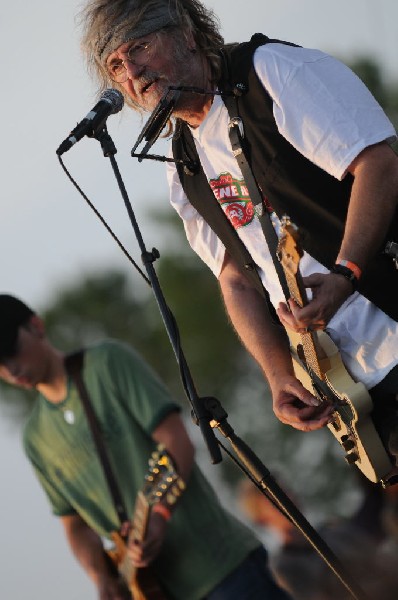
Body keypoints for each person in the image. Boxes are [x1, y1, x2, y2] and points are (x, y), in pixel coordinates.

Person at [79, 1, 398, 464]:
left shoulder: (272, 74)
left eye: (140, 47)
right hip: (355, 390)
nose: (132, 72)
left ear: (187, 32)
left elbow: (379, 163)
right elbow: (234, 280)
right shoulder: (182, 163)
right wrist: (278, 374)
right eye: (115, 66)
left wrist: (346, 272)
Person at [0, 293, 292, 600]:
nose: (10, 369)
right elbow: (74, 524)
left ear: (36, 326)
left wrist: (159, 515)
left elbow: (176, 442)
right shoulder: (35, 438)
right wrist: (101, 576)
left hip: (222, 570)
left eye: (11, 351)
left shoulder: (107, 363)